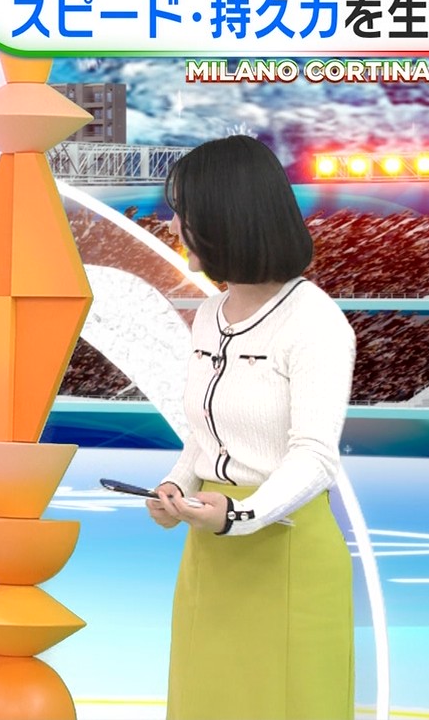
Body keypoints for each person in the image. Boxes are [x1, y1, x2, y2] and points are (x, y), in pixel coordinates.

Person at [147, 135, 355, 719]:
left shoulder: (315, 322)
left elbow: (315, 455)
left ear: (227, 216)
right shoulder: (208, 315)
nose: (173, 226)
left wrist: (240, 515)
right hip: (210, 549)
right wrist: (177, 486)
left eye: (184, 213)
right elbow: (204, 433)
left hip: (283, 548)